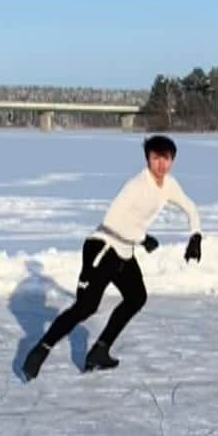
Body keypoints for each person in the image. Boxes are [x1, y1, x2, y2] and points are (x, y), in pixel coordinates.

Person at [21, 134, 201, 379]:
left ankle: (99, 351)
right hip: (103, 248)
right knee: (86, 307)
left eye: (166, 159)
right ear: (148, 158)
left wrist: (195, 237)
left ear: (173, 161)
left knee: (136, 297)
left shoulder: (169, 185)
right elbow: (113, 220)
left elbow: (190, 207)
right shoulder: (137, 185)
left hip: (124, 252)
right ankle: (39, 351)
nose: (161, 164)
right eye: (155, 157)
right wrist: (143, 238)